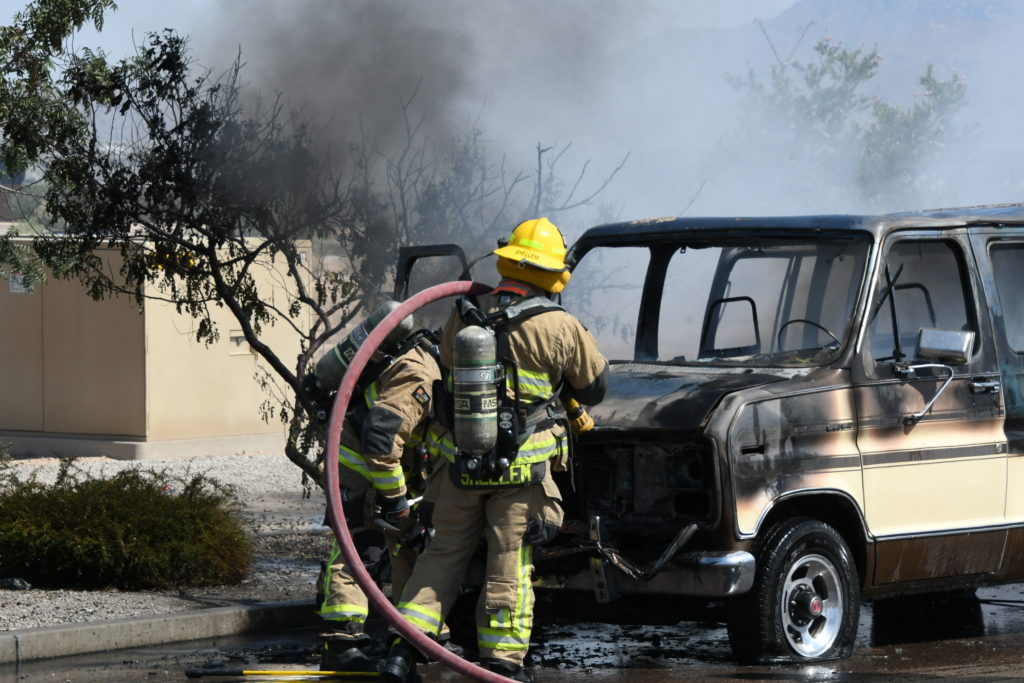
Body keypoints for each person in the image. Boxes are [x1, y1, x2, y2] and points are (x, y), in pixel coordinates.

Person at [381, 217, 609, 682]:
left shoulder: (465, 312)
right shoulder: (559, 324)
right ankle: (502, 663)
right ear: (553, 272)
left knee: (440, 557)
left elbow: (447, 364)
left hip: (460, 465)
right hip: (520, 474)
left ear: (506, 260)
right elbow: (595, 387)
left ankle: (401, 653)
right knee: (509, 564)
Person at [316, 330, 444, 672]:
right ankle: (341, 643)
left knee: (405, 543)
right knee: (360, 546)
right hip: (360, 461)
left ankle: (409, 633)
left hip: (382, 460)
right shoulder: (422, 375)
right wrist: (396, 499)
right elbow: (380, 439)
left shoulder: (432, 367)